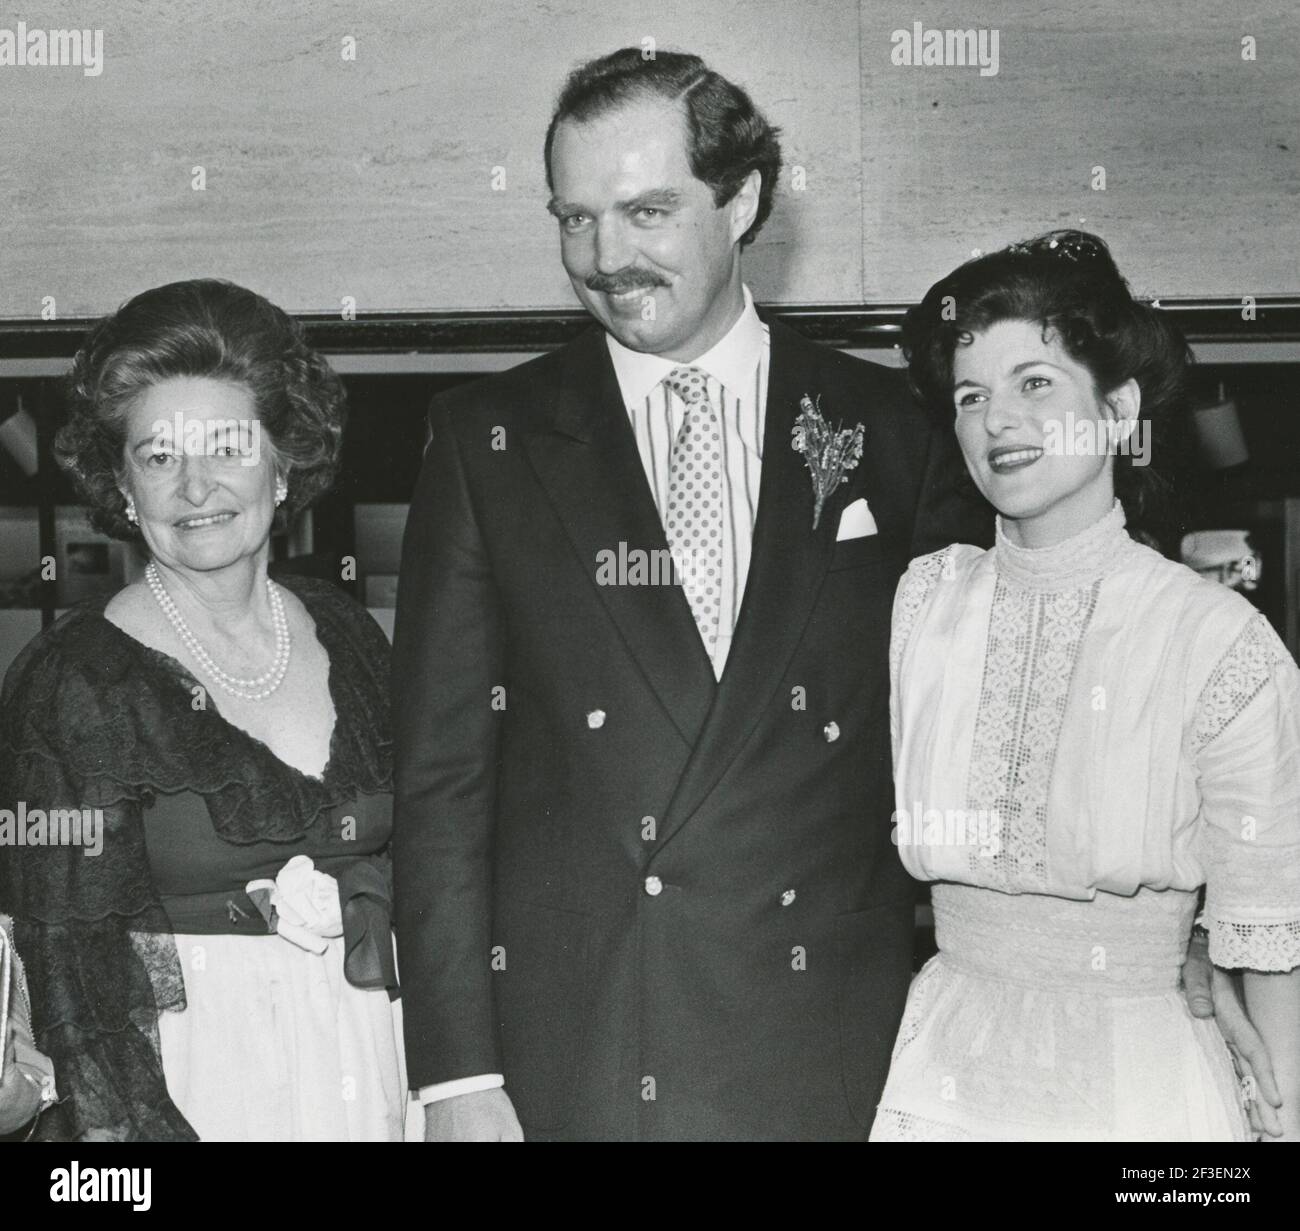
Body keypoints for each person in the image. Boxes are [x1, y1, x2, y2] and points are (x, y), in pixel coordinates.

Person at [391, 47, 988, 1142]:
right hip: (579, 1049)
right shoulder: (486, 441)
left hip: (828, 1049)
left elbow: (956, 752)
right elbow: (438, 784)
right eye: (575, 220)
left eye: (647, 211)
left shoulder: (895, 433)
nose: (606, 257)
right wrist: (455, 1077)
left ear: (743, 197)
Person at [872, 230, 1300, 1141]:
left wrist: (1284, 1108)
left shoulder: (1218, 639)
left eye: (1036, 383)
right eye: (972, 396)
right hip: (949, 1070)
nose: (998, 421)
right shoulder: (927, 602)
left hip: (1146, 1091)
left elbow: (1269, 926)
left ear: (1117, 408)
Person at [0, 279, 406, 1141]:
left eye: (226, 445)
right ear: (121, 483)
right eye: (158, 456)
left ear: (284, 458)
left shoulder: (351, 632)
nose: (195, 487)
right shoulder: (71, 684)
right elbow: (69, 979)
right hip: (192, 1101)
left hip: (375, 1074)